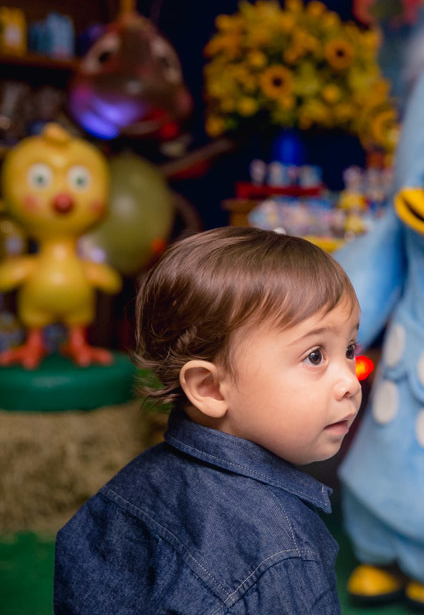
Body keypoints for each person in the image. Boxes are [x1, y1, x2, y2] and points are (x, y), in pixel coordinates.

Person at [54, 226, 364, 614]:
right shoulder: (281, 553)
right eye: (315, 356)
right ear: (211, 388)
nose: (349, 383)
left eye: (349, 348)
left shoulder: (129, 486)